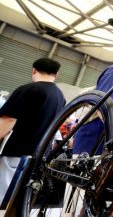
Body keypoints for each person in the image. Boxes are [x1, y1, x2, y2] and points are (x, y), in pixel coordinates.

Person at [0, 58, 66, 201]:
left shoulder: (28, 89)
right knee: (20, 202)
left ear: (34, 70)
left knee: (4, 198)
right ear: (57, 74)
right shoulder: (61, 97)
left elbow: (9, 120)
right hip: (39, 157)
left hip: (17, 154)